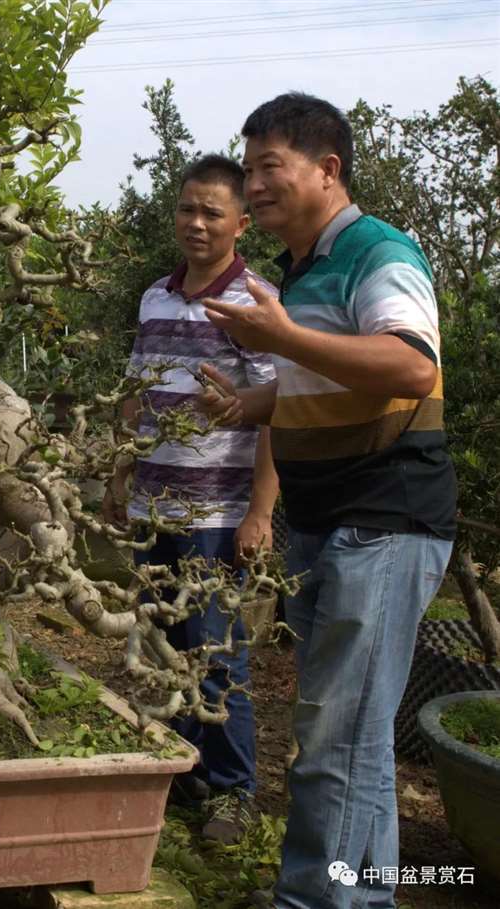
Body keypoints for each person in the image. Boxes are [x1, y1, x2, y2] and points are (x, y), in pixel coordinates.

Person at [197, 94, 456, 908]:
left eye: (269, 165)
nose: (255, 183)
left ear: (327, 169)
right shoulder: (307, 272)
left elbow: (411, 366)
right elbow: (323, 378)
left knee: (333, 746)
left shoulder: (379, 252)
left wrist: (280, 340)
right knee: (358, 744)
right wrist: (251, 402)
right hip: (326, 523)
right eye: (250, 166)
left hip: (378, 522)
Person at [102, 153, 279, 846]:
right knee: (166, 644)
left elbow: (278, 410)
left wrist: (260, 512)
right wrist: (119, 477)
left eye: (212, 212)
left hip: (215, 515)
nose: (197, 223)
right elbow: (134, 393)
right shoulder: (154, 296)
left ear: (240, 221)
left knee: (216, 652)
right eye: (187, 209)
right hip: (153, 507)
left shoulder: (253, 302)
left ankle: (234, 792)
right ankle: (189, 772)